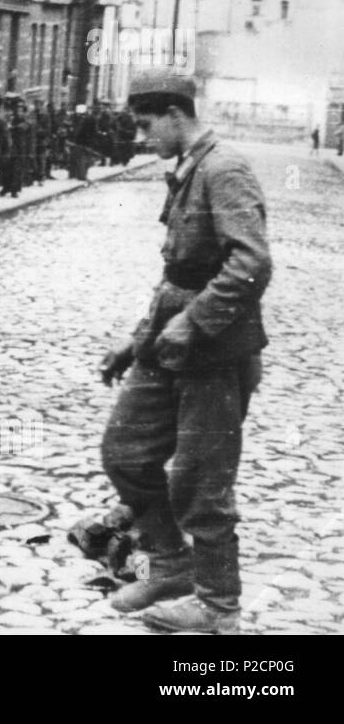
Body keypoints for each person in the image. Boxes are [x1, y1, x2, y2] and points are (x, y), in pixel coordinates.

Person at [98, 70, 272, 634]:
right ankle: (170, 564)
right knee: (126, 453)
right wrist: (137, 340)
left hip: (216, 352)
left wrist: (193, 324)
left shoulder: (224, 169)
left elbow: (251, 264)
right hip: (168, 343)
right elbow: (178, 273)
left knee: (200, 479)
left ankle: (218, 608)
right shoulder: (188, 167)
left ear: (176, 114)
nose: (142, 137)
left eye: (146, 124)